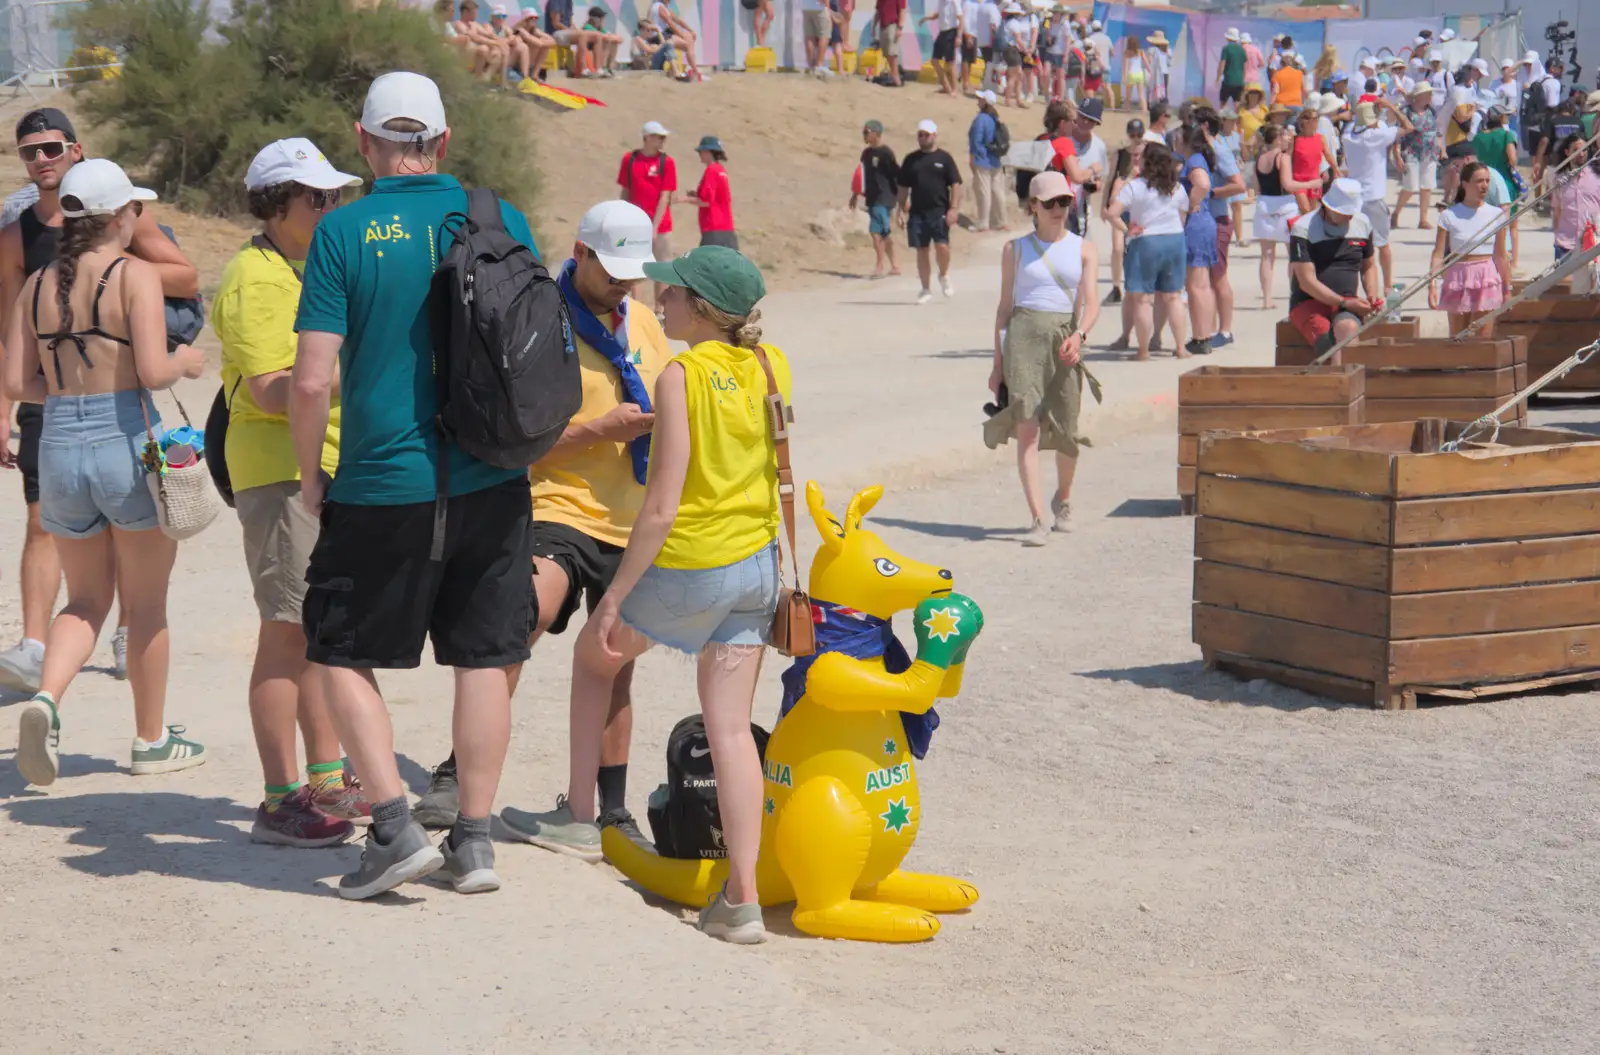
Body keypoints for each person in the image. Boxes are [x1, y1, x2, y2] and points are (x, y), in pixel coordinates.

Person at [290, 72, 540, 900]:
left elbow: (311, 378)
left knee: (335, 647)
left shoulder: (343, 231)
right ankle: (473, 841)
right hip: (494, 476)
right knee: (484, 656)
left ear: (363, 143)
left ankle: (394, 827)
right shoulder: (500, 219)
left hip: (379, 479)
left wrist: (308, 476)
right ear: (442, 139)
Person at [506, 246, 790, 945]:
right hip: (757, 565)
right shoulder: (768, 363)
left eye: (674, 293)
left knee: (593, 653)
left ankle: (578, 813)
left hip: (694, 562)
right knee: (730, 729)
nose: (658, 300)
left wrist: (614, 598)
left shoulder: (679, 374)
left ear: (701, 308)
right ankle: (742, 897)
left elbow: (660, 506)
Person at [417, 200, 671, 848]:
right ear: (579, 253)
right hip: (555, 504)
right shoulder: (540, 317)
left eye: (632, 273)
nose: (623, 285)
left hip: (629, 517)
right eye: (611, 270)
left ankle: (608, 810)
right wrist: (598, 431)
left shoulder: (645, 322)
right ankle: (458, 774)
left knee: (615, 660)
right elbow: (513, 439)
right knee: (514, 624)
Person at [4, 158, 208, 788]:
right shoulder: (136, 275)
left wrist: (67, 390)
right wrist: (189, 361)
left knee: (85, 599)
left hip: (59, 441)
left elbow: (16, 381)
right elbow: (151, 369)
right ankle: (151, 740)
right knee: (145, 605)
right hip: (124, 436)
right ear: (120, 217)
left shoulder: (36, 283)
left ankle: (47, 700)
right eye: (133, 211)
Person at [216, 139, 367, 844]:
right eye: (317, 198)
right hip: (277, 470)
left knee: (320, 633)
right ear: (277, 204)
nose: (330, 207)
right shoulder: (256, 278)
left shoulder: (305, 266)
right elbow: (278, 389)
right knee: (286, 633)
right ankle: (280, 800)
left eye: (334, 196)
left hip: (321, 462)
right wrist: (362, 362)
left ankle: (329, 780)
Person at [986, 170, 1099, 547]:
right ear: (1032, 206)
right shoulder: (1014, 250)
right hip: (1023, 343)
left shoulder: (1084, 247)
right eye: (1049, 203)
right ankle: (1037, 518)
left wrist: (1080, 335)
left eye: (1064, 201)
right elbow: (1003, 310)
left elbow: (1093, 303)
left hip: (1065, 340)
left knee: (1067, 430)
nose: (1058, 209)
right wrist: (997, 366)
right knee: (1028, 429)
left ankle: (1063, 500)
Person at [1108, 142, 1190, 360]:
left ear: (1148, 162)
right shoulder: (1177, 187)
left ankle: (1143, 351)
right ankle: (1181, 348)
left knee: (1142, 299)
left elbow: (1111, 212)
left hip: (1146, 241)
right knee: (1174, 297)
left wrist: (1127, 230)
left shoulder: (1135, 186)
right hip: (1175, 239)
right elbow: (1183, 214)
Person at [1287, 177, 1381, 359]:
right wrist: (1343, 302)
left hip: (1348, 301)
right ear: (1328, 207)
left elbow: (1369, 265)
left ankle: (1349, 382)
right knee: (1328, 344)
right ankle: (1337, 383)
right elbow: (1307, 282)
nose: (1349, 216)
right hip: (1309, 301)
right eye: (1344, 212)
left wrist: (1372, 294)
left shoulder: (1362, 223)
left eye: (1351, 212)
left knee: (1348, 330)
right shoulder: (1303, 228)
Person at [1429, 161, 1510, 336]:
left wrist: (1507, 289)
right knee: (1457, 338)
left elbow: (1501, 256)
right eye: (1479, 181)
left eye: (1487, 181)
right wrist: (1432, 285)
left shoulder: (1497, 215)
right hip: (1458, 277)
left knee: (1484, 339)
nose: (1484, 185)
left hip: (1486, 276)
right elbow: (1438, 254)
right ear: (1465, 184)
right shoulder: (1449, 215)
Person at [1342, 99, 1411, 290]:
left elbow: (1362, 125)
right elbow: (1408, 126)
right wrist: (1391, 106)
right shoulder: (1377, 135)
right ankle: (1387, 286)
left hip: (1354, 198)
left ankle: (1361, 288)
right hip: (1373, 197)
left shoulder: (1349, 134)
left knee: (1358, 246)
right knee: (1383, 245)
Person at [897, 119, 962, 304]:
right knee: (922, 249)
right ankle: (925, 288)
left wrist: (954, 208)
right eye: (920, 135)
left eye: (926, 134)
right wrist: (900, 209)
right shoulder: (911, 160)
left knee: (942, 247)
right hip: (917, 212)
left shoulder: (944, 158)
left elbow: (955, 184)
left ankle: (943, 275)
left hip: (939, 210)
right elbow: (903, 187)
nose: (923, 138)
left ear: (934, 135)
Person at [1252, 124, 1313, 311]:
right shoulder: (1283, 158)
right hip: (1285, 207)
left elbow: (1256, 188)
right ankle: (1294, 294)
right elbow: (1288, 184)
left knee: (1266, 256)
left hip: (1264, 207)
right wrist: (1313, 182)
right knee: (1293, 255)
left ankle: (1267, 300)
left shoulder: (1259, 159)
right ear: (1278, 139)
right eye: (1286, 136)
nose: (1288, 138)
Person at [617, 121, 677, 307]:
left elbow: (665, 196)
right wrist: (622, 217)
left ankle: (659, 311)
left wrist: (654, 227)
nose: (662, 141)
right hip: (635, 224)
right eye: (659, 137)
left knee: (661, 268)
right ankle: (636, 308)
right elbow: (626, 191)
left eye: (664, 137)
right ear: (647, 138)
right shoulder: (630, 159)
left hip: (661, 225)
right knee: (635, 266)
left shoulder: (666, 162)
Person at [1200, 110, 1246, 349]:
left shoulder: (1219, 150)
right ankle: (1209, 329)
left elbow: (1239, 185)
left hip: (1218, 219)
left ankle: (1225, 331)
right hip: (1206, 220)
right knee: (1206, 278)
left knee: (1218, 277)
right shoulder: (1206, 152)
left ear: (1205, 127)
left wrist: (1209, 193)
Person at [1179, 123, 1219, 357]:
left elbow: (1202, 184)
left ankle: (1200, 336)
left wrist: (1188, 205)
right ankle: (1205, 334)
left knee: (1196, 286)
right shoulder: (1199, 158)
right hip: (1204, 223)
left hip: (1196, 224)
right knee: (1202, 284)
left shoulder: (1193, 160)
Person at [849, 119, 902, 279]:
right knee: (878, 232)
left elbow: (897, 176)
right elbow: (861, 176)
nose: (864, 135)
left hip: (885, 197)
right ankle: (894, 265)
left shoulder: (886, 153)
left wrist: (902, 200)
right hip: (871, 197)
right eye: (863, 132)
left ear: (876, 133)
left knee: (878, 231)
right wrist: (855, 195)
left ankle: (881, 266)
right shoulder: (866, 154)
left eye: (867, 132)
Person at [1473, 106, 1521, 267]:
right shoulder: (1507, 135)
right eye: (1506, 116)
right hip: (1504, 181)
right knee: (1511, 224)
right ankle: (1512, 261)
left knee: (1484, 221)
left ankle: (1486, 258)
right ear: (1501, 118)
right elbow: (1512, 158)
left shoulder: (1478, 137)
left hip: (1482, 180)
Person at [1392, 83, 1440, 231]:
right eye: (1428, 93)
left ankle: (1423, 219)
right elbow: (1397, 135)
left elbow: (1436, 131)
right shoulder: (1405, 111)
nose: (1431, 96)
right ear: (1419, 95)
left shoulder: (1431, 110)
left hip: (1430, 152)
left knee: (1427, 187)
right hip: (1411, 152)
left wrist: (1441, 149)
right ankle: (1396, 213)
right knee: (1410, 186)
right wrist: (1397, 156)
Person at [1550, 134, 1600, 262]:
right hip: (1565, 245)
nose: (1582, 154)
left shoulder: (1596, 176)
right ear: (1567, 152)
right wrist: (1557, 236)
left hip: (1592, 244)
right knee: (1563, 282)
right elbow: (1557, 211)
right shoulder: (1559, 179)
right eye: (1576, 150)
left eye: (1585, 149)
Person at [969, 91, 1008, 232]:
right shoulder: (995, 118)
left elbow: (976, 141)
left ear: (985, 102)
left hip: (983, 160)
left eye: (981, 98)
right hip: (995, 159)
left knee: (983, 192)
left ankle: (983, 222)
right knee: (997, 191)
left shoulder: (981, 119)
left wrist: (974, 157)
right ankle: (1001, 221)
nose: (978, 100)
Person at [688, 135, 736, 249]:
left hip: (713, 228)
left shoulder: (711, 170)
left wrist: (681, 199)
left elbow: (705, 201)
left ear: (707, 152)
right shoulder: (721, 170)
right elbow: (717, 197)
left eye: (701, 152)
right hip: (726, 229)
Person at [1290, 107, 1334, 213]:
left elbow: (1328, 155)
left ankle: (1308, 229)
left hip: (1315, 180)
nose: (1316, 121)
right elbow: (1288, 160)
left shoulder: (1320, 138)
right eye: (1314, 119)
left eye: (1317, 118)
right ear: (1305, 121)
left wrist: (1336, 169)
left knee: (1312, 211)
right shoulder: (1295, 140)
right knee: (1305, 209)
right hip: (1298, 181)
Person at [648, 0, 701, 80]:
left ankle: (694, 70)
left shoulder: (662, 7)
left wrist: (690, 30)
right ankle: (695, 72)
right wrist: (681, 34)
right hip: (658, 37)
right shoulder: (660, 7)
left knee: (688, 38)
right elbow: (670, 23)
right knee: (687, 43)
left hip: (662, 35)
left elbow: (678, 20)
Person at [925, 0, 964, 96]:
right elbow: (938, 14)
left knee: (950, 64)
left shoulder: (954, 2)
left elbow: (961, 19)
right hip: (942, 32)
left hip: (951, 32)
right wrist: (925, 18)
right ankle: (947, 87)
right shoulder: (941, 2)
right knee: (934, 60)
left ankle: (954, 89)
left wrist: (959, 36)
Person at [510, 9, 556, 81]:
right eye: (531, 17)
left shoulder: (534, 30)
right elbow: (539, 43)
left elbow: (553, 41)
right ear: (525, 20)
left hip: (529, 65)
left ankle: (534, 75)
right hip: (517, 66)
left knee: (544, 46)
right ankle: (526, 75)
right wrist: (540, 41)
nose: (534, 19)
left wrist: (541, 41)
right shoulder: (520, 31)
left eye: (536, 18)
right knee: (535, 44)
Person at [581, 7, 624, 76]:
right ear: (592, 17)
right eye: (599, 17)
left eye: (602, 17)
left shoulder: (599, 28)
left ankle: (609, 68)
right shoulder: (587, 27)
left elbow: (620, 39)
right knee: (606, 41)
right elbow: (604, 37)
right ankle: (603, 68)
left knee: (613, 42)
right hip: (590, 51)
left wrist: (613, 38)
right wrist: (611, 37)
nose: (602, 19)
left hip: (597, 50)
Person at [875, 0, 906, 87]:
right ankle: (894, 77)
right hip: (883, 26)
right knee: (887, 53)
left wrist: (900, 28)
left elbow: (902, 11)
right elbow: (878, 12)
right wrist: (874, 26)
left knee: (892, 53)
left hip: (893, 25)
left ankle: (897, 80)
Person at [1217, 28, 1246, 105]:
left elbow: (1222, 64)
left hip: (1228, 81)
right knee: (1237, 103)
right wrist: (1243, 79)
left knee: (1223, 103)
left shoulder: (1226, 48)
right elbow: (1244, 66)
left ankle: (1223, 117)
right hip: (1240, 82)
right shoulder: (1242, 49)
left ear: (1228, 37)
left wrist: (1218, 78)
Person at [1119, 35, 1148, 113]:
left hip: (1131, 75)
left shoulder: (1127, 53)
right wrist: (1150, 72)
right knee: (1141, 96)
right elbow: (1146, 64)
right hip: (1140, 74)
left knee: (1128, 96)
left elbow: (1125, 66)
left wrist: (1124, 78)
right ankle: (1145, 111)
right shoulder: (1141, 51)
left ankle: (1126, 110)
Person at [801, 0, 830, 75]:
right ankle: (819, 64)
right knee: (824, 35)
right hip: (819, 7)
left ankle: (811, 65)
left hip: (806, 6)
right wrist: (828, 7)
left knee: (809, 37)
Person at [1147, 30, 1170, 103]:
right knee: (1163, 90)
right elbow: (1169, 63)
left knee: (1152, 87)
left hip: (1156, 72)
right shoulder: (1168, 50)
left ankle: (1151, 104)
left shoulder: (1152, 49)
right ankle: (1163, 105)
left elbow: (1149, 61)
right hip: (1165, 72)